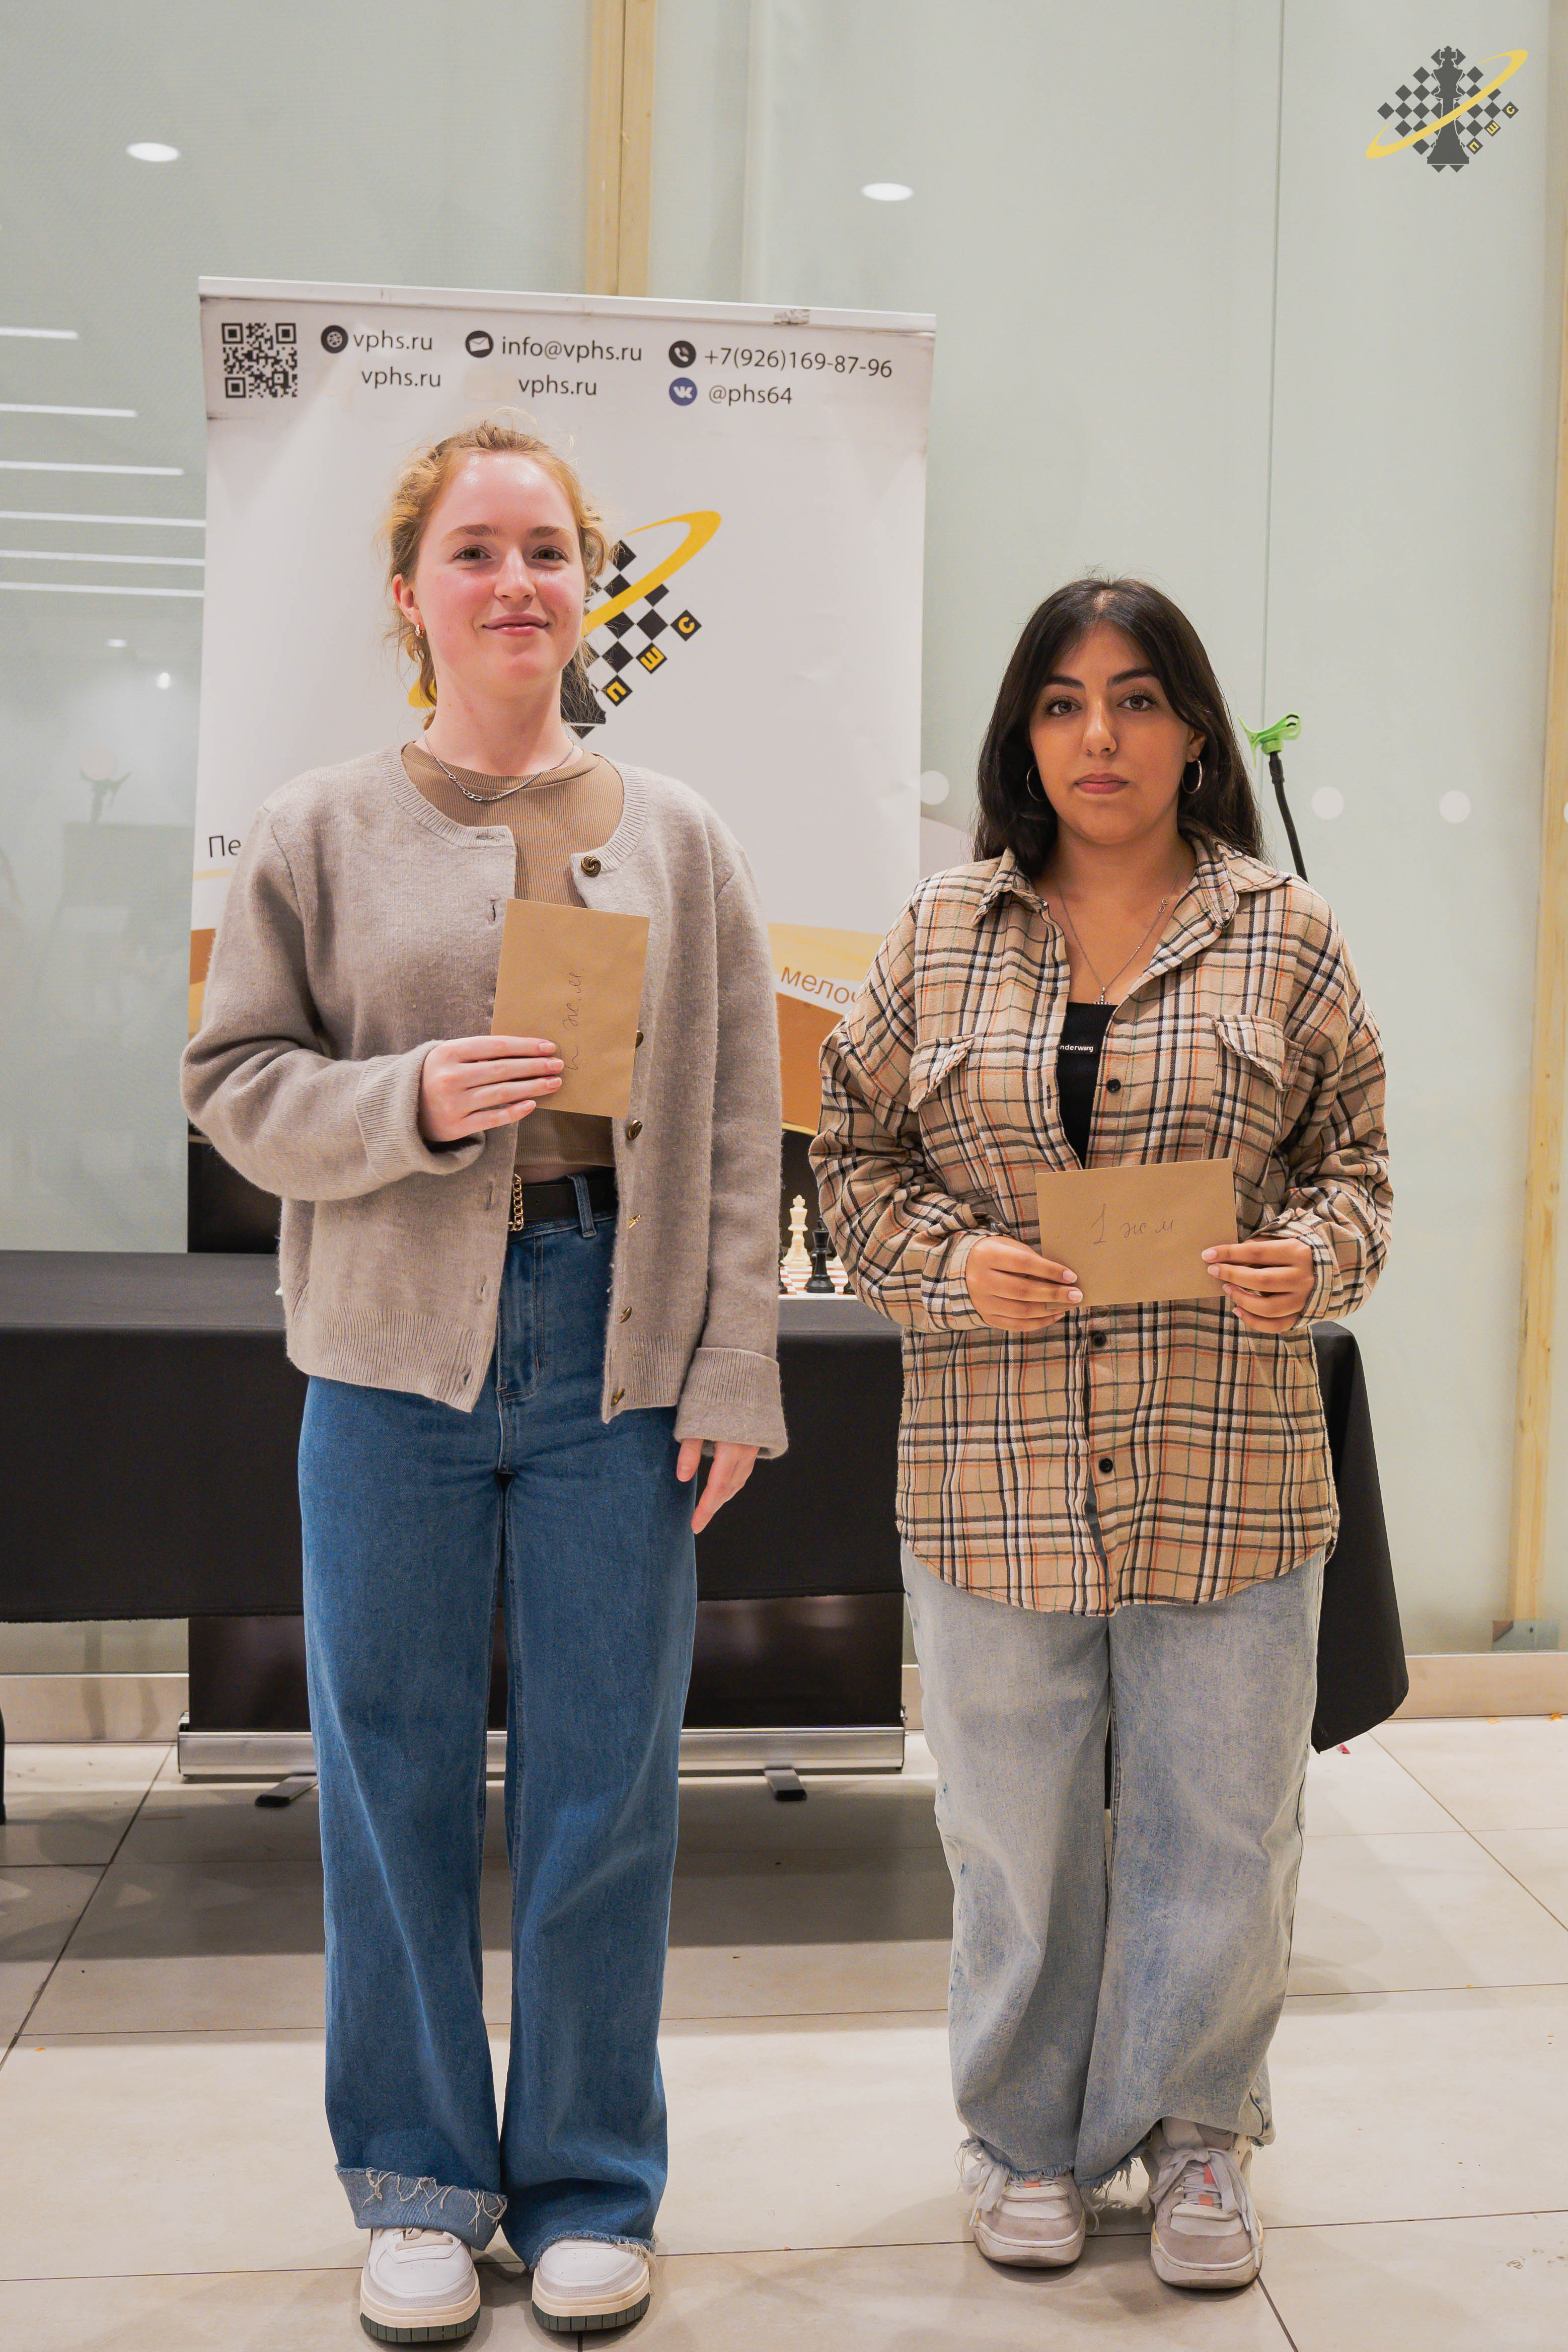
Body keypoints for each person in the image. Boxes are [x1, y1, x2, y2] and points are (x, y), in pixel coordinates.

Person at [183, 420, 786, 2343]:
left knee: (610, 1777)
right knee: (391, 1773)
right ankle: (420, 2181)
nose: (515, 581)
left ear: (592, 583)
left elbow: (739, 1122)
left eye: (548, 548)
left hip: (619, 1338)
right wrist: (411, 1100)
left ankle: (594, 2179)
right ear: (410, 594)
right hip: (388, 1355)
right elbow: (232, 1087)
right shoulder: (315, 829)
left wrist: (732, 1367)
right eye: (475, 550)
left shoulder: (680, 836)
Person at [813, 577, 1389, 2293]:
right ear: (1022, 735)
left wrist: (1311, 1262)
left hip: (1227, 1456)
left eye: (1136, 699)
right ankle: (1020, 2139)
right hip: (992, 1463)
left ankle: (1198, 2136)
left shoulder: (1284, 933)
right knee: (1016, 1834)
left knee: (1223, 1821)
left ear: (1193, 730)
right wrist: (944, 1265)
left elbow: (1357, 1169)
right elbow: (852, 1161)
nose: (1100, 737)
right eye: (1062, 703)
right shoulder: (939, 932)